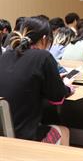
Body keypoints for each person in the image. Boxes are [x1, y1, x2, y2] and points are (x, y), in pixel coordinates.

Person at [0, 17, 73, 145]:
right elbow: (57, 98)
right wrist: (67, 86)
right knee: (64, 131)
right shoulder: (43, 56)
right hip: (22, 137)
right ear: (44, 39)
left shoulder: (6, 55)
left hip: (3, 133)